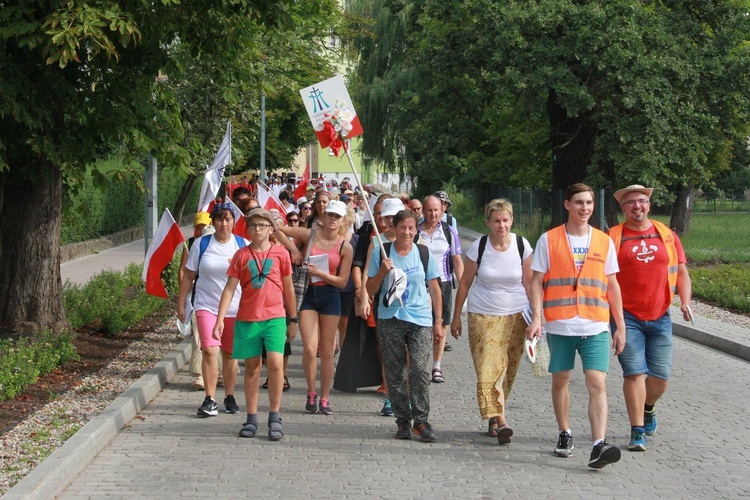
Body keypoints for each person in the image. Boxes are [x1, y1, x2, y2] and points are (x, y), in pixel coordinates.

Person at [526, 183, 626, 469]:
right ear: (567, 205)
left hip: (595, 324)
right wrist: (536, 317)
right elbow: (536, 281)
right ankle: (565, 432)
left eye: (590, 203)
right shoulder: (549, 239)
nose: (585, 208)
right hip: (560, 325)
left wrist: (620, 325)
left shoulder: (604, 241)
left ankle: (598, 445)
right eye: (579, 203)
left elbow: (612, 285)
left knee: (597, 382)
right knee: (561, 381)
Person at [608, 185, 692, 452]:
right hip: (626, 316)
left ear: (649, 205)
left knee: (660, 378)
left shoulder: (666, 235)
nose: (637, 206)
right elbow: (603, 279)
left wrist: (685, 302)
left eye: (642, 201)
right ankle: (637, 431)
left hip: (660, 315)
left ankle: (648, 408)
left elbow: (681, 272)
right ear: (623, 209)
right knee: (634, 373)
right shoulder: (613, 237)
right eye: (631, 202)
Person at [451, 199, 532, 444]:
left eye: (505, 220)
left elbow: (530, 283)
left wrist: (537, 316)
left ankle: (494, 417)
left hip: (517, 315)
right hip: (483, 314)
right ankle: (503, 419)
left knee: (508, 368)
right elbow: (464, 283)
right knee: (489, 366)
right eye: (496, 220)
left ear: (512, 220)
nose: (501, 225)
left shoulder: (521, 245)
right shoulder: (479, 246)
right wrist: (456, 317)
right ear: (488, 222)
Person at [214, 208, 297, 440]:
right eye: (253, 226)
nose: (258, 229)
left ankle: (275, 415)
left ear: (271, 229)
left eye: (262, 225)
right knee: (252, 368)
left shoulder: (281, 253)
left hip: (275, 317)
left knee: (275, 363)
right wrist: (220, 319)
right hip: (248, 318)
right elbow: (230, 289)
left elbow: (289, 288)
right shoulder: (242, 255)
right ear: (248, 229)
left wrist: (294, 319)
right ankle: (251, 417)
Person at [367, 209, 444, 442]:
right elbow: (370, 289)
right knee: (395, 371)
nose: (407, 232)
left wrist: (439, 321)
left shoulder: (423, 253)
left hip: (420, 319)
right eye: (403, 227)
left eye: (412, 228)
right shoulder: (382, 252)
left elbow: (435, 288)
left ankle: (421, 421)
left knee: (419, 369)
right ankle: (402, 420)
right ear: (394, 228)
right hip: (390, 317)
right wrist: (382, 271)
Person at [278, 200, 353, 415]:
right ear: (323, 216)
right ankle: (311, 392)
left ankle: (325, 397)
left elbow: (342, 281)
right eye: (329, 214)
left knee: (327, 351)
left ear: (343, 221)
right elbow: (279, 229)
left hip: (330, 295)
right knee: (310, 348)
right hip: (308, 294)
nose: (332, 219)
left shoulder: (344, 247)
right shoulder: (310, 235)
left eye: (336, 217)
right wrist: (294, 249)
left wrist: (321, 274)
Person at [178, 203, 246, 417]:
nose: (223, 224)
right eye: (219, 219)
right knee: (209, 350)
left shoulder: (242, 244)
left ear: (234, 221)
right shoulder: (202, 244)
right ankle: (210, 398)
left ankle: (229, 394)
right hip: (206, 305)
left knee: (230, 354)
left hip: (234, 308)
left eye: (228, 219)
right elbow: (188, 275)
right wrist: (181, 303)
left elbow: (250, 278)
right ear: (213, 222)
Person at [419, 195, 463, 382]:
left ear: (442, 210)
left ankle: (437, 366)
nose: (433, 214)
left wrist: (463, 287)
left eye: (436, 210)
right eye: (429, 210)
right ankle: (419, 364)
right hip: (421, 283)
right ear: (423, 210)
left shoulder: (449, 231)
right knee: (421, 326)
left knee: (441, 325)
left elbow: (457, 260)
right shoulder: (416, 230)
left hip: (443, 282)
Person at [179, 211, 213, 391]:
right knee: (199, 336)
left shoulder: (223, 243)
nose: (201, 229)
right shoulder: (191, 244)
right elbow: (183, 271)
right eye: (198, 227)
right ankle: (198, 374)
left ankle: (220, 372)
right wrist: (183, 298)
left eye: (204, 226)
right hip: (198, 296)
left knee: (218, 338)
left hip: (220, 299)